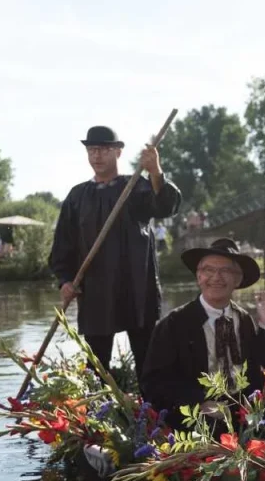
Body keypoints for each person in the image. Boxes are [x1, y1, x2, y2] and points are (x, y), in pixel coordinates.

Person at [49, 125, 182, 377]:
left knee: (147, 361)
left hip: (137, 287)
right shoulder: (77, 196)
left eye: (104, 150)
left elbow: (165, 206)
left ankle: (152, 411)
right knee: (96, 366)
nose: (97, 156)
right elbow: (63, 244)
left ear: (118, 152)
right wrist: (65, 281)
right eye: (92, 150)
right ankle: (98, 408)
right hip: (95, 290)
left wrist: (156, 171)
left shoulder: (136, 187)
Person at [141, 238, 265, 432]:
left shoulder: (245, 319)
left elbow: (263, 364)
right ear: (198, 277)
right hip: (196, 413)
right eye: (208, 270)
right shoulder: (174, 323)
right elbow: (154, 381)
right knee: (215, 429)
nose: (216, 277)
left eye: (225, 271)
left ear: (237, 280)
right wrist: (200, 402)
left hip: (241, 408)